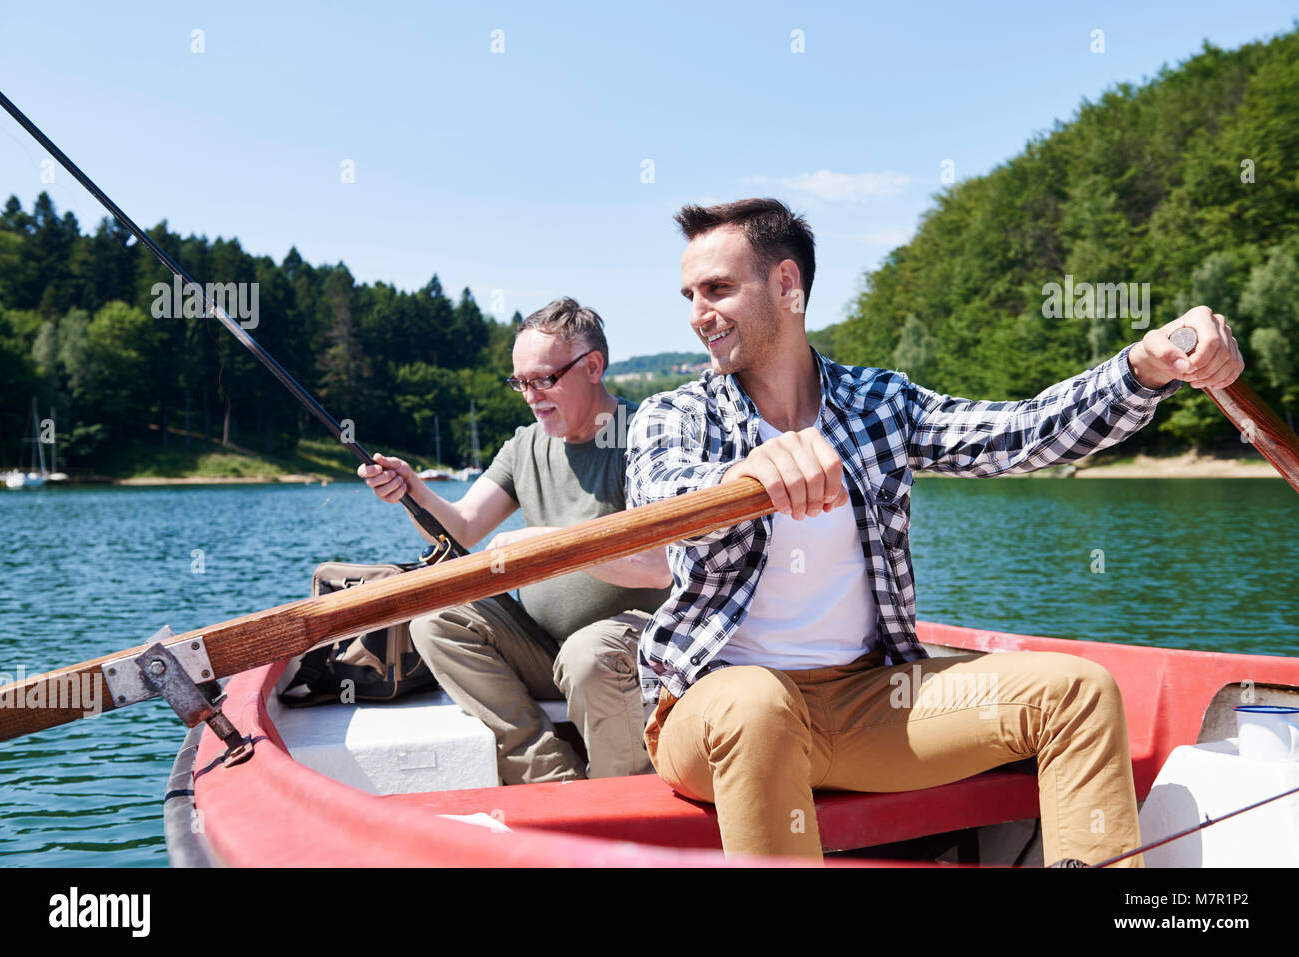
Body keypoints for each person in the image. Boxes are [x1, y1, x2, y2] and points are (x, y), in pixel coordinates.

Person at [625, 197, 1244, 865]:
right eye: (690, 294)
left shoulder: (880, 404)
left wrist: (1144, 368)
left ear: (785, 285)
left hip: (867, 699)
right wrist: (744, 477)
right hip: (716, 706)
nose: (697, 313)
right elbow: (656, 492)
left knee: (1078, 692)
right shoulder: (674, 415)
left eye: (717, 288)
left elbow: (1020, 433)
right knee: (756, 701)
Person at [360, 297, 672, 784]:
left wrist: (551, 544)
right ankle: (554, 783)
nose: (529, 395)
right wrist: (411, 490)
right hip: (544, 647)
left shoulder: (643, 436)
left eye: (543, 380)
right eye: (519, 382)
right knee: (434, 620)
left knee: (588, 654)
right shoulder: (525, 445)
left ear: (593, 366)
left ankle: (621, 806)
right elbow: (461, 526)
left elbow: (659, 565)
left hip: (631, 646)